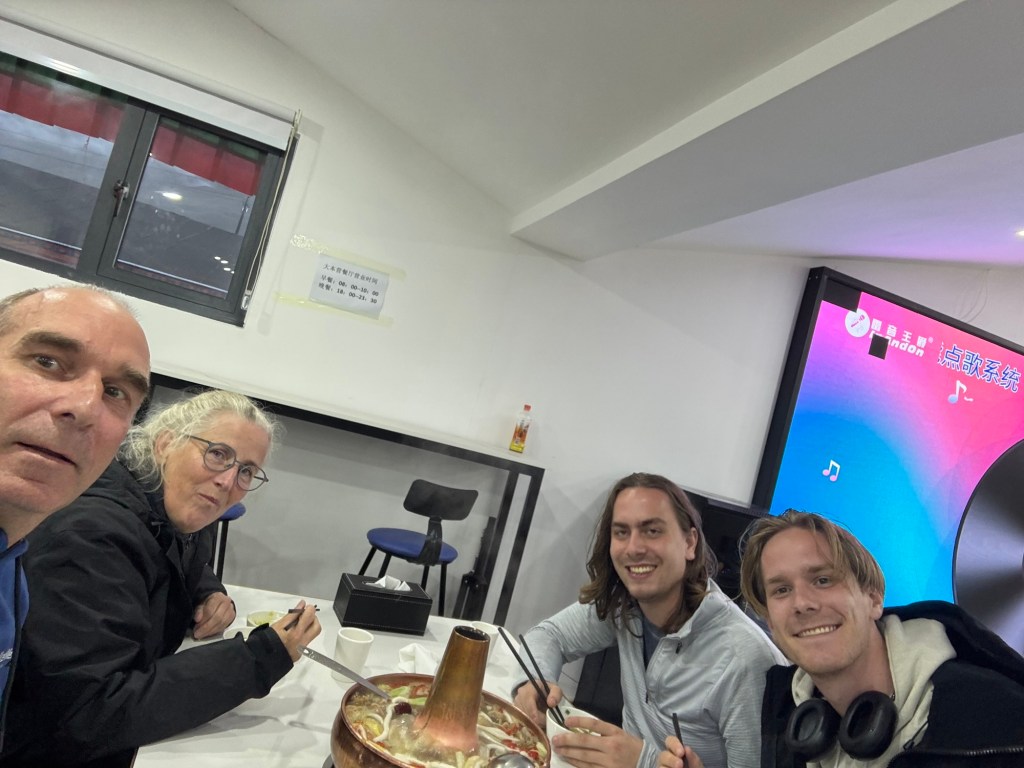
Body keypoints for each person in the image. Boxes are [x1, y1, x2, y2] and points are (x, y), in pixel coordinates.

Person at [0, 389, 322, 768]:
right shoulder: (91, 536)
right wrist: (260, 657)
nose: (228, 481)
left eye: (247, 471)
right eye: (218, 454)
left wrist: (209, 592)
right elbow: (88, 713)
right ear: (166, 443)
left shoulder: (171, 503)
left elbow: (179, 555)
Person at [660, 510, 1024, 768]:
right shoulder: (788, 718)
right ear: (770, 622)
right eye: (782, 590)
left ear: (873, 598)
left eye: (823, 580)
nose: (802, 603)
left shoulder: (995, 721)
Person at [513, 472, 786, 768]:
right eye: (621, 533)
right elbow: (550, 635)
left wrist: (644, 761)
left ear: (690, 543)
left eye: (652, 531)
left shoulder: (746, 660)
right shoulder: (625, 606)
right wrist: (536, 680)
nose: (633, 548)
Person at [0, 285, 150, 747]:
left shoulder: (12, 563)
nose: (84, 408)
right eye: (47, 362)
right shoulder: (93, 531)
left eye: (115, 392)